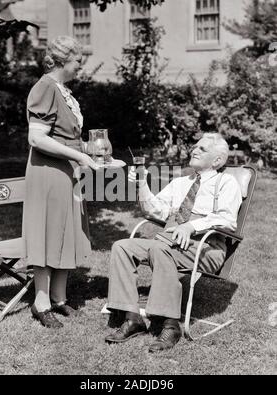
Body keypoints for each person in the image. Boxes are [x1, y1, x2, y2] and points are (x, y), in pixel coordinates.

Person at [105, 133, 242, 352]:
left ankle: (170, 324)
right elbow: (155, 210)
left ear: (217, 161)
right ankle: (132, 318)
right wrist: (141, 185)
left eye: (202, 149)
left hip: (205, 247)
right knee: (121, 247)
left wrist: (191, 226)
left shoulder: (225, 183)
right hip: (169, 241)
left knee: (161, 248)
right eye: (195, 146)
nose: (194, 150)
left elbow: (227, 220)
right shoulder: (180, 182)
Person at [23, 36, 99, 329]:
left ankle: (59, 298)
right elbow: (37, 138)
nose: (81, 66)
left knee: (67, 230)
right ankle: (40, 303)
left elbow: (66, 137)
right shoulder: (44, 88)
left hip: (67, 171)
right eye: (79, 60)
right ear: (64, 60)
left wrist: (92, 152)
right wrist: (78, 157)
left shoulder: (63, 91)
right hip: (48, 172)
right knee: (47, 231)